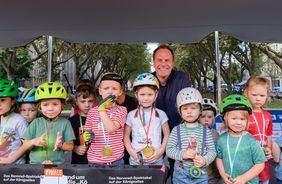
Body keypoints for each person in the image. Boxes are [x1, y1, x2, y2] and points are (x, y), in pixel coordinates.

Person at [0, 82, 75, 164]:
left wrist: (61, 145)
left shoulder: (65, 123)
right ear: (40, 107)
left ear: (62, 105)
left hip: (56, 165)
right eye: (45, 105)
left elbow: (70, 146)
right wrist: (34, 141)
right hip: (35, 165)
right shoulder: (36, 123)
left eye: (55, 104)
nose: (50, 108)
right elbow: (25, 145)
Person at [152, 44, 190, 178]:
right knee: (153, 174)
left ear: (173, 62)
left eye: (167, 60)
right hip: (153, 136)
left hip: (178, 134)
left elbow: (187, 105)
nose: (163, 64)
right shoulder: (147, 80)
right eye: (159, 60)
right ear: (153, 62)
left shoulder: (182, 78)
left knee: (179, 173)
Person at [166, 87, 216, 184]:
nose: (189, 111)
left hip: (200, 174)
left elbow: (212, 151)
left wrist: (205, 160)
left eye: (193, 108)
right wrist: (182, 154)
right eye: (185, 108)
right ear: (180, 111)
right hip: (181, 175)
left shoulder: (206, 131)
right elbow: (169, 150)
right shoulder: (177, 130)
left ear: (200, 110)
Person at [216, 94, 266, 184]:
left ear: (247, 120)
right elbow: (219, 158)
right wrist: (222, 173)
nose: (238, 122)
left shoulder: (251, 141)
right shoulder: (221, 140)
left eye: (242, 119)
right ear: (225, 118)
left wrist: (244, 178)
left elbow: (260, 164)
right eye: (234, 118)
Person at [124, 73, 170, 165]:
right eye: (142, 94)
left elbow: (167, 135)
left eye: (150, 94)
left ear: (156, 94)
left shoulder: (161, 114)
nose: (146, 98)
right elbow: (126, 137)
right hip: (136, 159)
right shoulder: (131, 115)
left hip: (156, 159)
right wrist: (131, 152)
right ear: (136, 95)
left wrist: (160, 151)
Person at [84, 72, 127, 165]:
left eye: (114, 89)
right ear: (100, 91)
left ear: (120, 92)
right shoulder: (91, 112)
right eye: (106, 88)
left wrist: (101, 109)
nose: (110, 92)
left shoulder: (122, 110)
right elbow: (87, 131)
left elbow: (110, 128)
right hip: (94, 160)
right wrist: (87, 136)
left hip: (116, 160)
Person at [244, 76, 272, 184]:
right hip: (247, 160)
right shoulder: (243, 114)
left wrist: (268, 148)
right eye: (254, 95)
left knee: (264, 180)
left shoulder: (268, 116)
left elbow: (268, 134)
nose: (258, 98)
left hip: (263, 159)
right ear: (246, 93)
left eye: (262, 95)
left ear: (267, 96)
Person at [0, 79, 28, 164]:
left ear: (12, 101)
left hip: (15, 167)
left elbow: (26, 145)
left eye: (3, 100)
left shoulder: (19, 120)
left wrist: (11, 160)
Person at [69, 84, 96, 164]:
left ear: (94, 101)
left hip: (98, 162)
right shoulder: (71, 121)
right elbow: (63, 143)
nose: (87, 105)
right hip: (79, 162)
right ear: (76, 102)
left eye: (90, 101)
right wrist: (75, 148)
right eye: (83, 101)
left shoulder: (100, 118)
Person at [116, 77, 138, 165]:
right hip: (116, 141)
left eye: (115, 88)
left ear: (122, 89)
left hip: (131, 140)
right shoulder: (107, 105)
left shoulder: (134, 102)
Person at [198, 98, 220, 184]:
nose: (206, 119)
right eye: (203, 116)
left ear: (214, 118)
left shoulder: (215, 134)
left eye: (209, 117)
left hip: (212, 174)